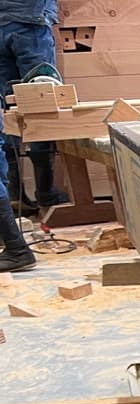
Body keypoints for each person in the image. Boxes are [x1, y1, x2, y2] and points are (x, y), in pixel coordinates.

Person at [0, 2, 70, 272]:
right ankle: (45, 193)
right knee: (41, 107)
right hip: (29, 21)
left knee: (7, 112)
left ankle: (15, 193)